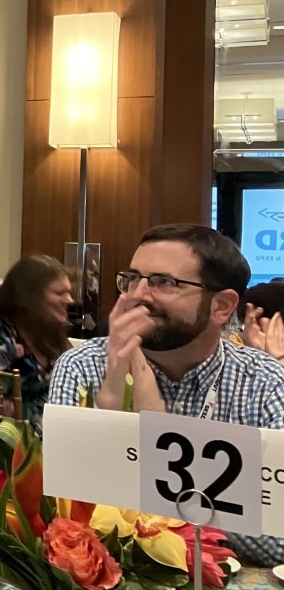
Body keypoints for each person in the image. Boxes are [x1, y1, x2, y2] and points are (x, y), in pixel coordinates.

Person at [47, 223, 284, 566]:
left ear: (222, 306)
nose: (138, 295)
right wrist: (115, 403)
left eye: (164, 282)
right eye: (133, 278)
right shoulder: (84, 366)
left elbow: (278, 541)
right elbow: (61, 518)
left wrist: (158, 434)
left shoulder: (266, 384)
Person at [0, 254, 73, 432]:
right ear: (31, 296)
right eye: (60, 293)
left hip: (51, 434)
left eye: (68, 292)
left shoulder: (50, 331)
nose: (69, 300)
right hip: (2, 445)